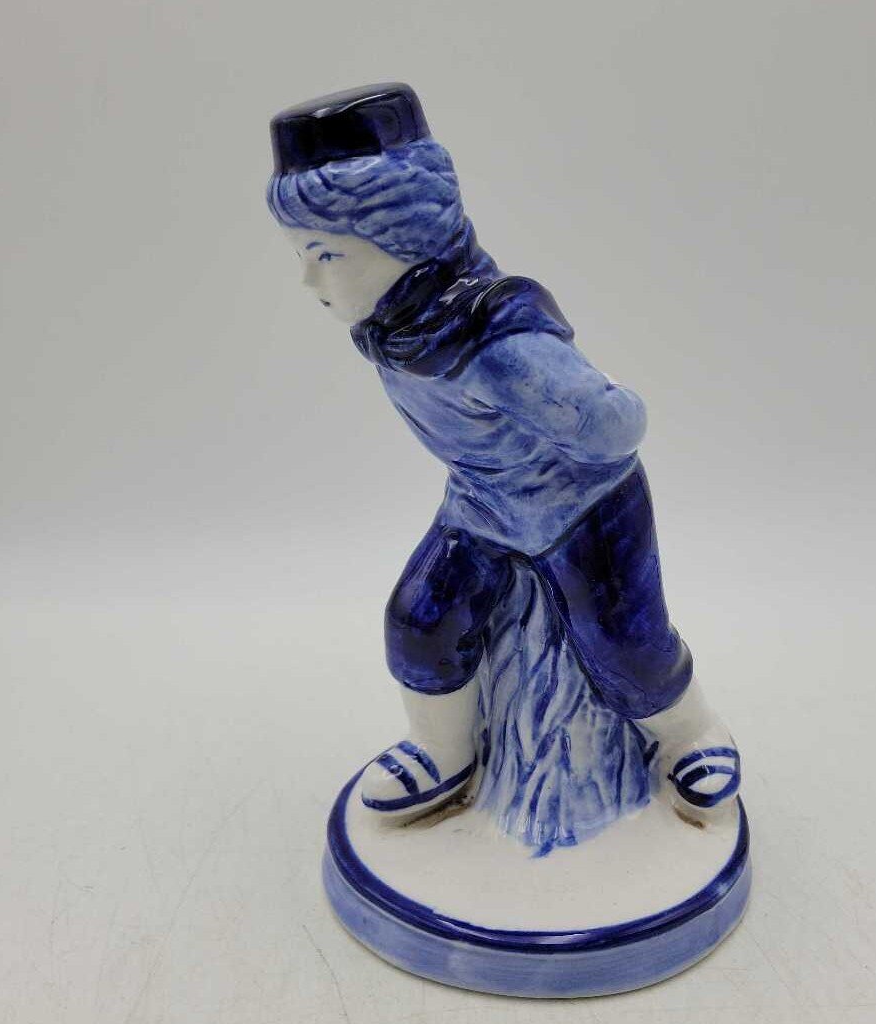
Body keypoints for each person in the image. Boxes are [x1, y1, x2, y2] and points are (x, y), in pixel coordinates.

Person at [267, 84, 740, 823]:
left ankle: (691, 734)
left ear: (408, 241)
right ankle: (442, 749)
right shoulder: (394, 325)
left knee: (623, 642)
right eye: (301, 255)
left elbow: (614, 427)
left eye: (327, 255)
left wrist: (594, 407)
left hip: (582, 504)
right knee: (421, 620)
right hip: (483, 500)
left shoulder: (493, 337)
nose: (309, 281)